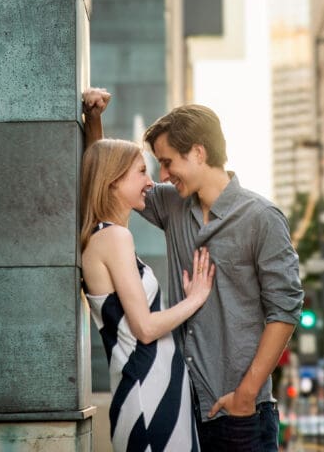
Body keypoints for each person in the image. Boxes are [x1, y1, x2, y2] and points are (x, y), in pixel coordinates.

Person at [83, 88, 304, 452]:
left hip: (238, 412)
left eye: (168, 162)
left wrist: (246, 395)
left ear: (199, 153)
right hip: (182, 408)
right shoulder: (174, 205)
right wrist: (94, 121)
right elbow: (110, 181)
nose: (163, 175)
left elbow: (285, 309)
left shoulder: (262, 218)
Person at [80, 135, 216, 452]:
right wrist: (195, 298)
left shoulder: (108, 237)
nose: (151, 182)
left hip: (154, 389)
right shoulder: (114, 238)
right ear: (113, 180)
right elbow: (144, 328)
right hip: (147, 391)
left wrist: (94, 120)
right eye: (141, 171)